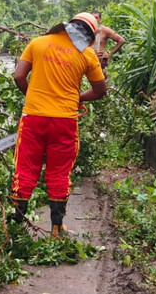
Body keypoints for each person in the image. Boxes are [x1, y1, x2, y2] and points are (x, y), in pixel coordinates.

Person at [9, 13, 108, 237]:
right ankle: (56, 228)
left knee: (25, 169)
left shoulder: (37, 43)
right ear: (90, 35)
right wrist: (78, 98)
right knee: (59, 173)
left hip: (33, 118)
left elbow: (18, 77)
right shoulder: (88, 55)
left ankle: (15, 227)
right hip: (64, 122)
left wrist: (32, 97)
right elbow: (100, 91)